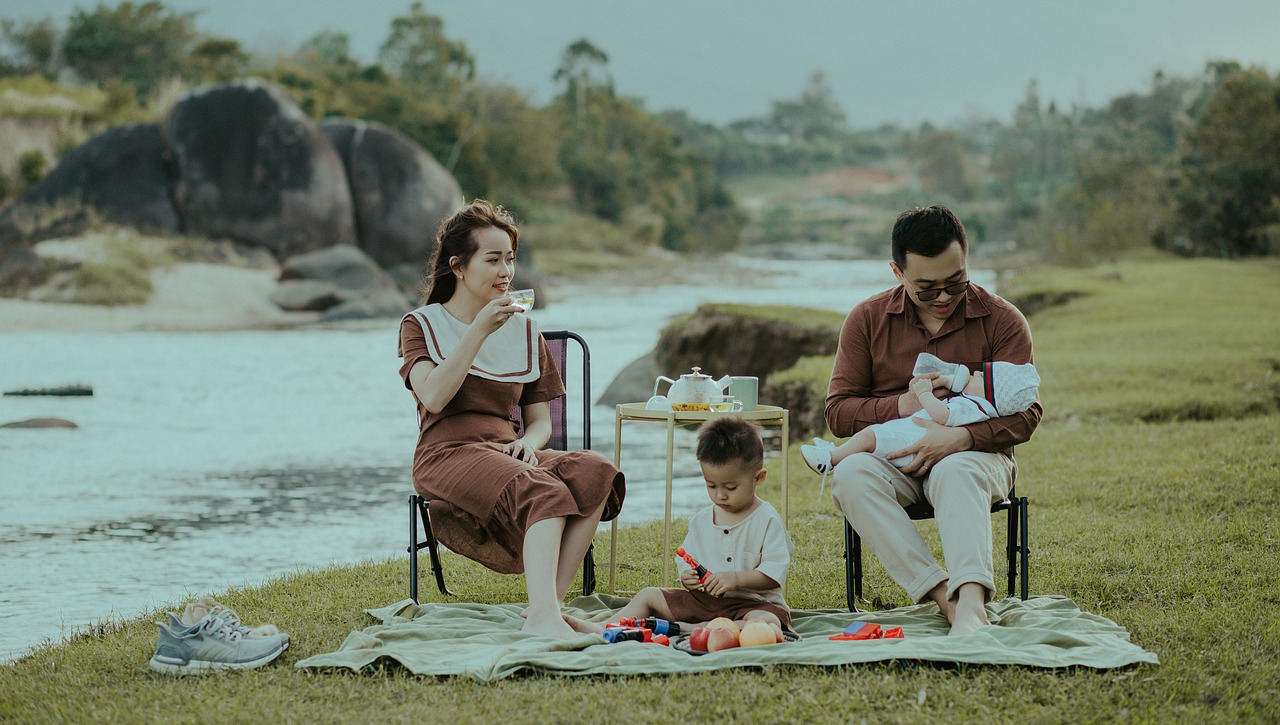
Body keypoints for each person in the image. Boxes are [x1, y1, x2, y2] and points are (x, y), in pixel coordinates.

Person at [398, 199, 625, 640]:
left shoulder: (525, 330)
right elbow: (436, 395)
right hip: (446, 455)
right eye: (493, 259)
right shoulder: (421, 325)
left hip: (507, 450)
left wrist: (531, 444)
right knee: (541, 488)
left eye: (511, 259)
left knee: (596, 471)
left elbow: (540, 421)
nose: (507, 271)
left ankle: (547, 609)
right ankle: (545, 616)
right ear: (458, 266)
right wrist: (479, 329)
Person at [824, 204, 1041, 636]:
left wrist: (960, 437)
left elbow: (1028, 415)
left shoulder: (1003, 320)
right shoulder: (866, 320)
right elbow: (838, 411)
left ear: (966, 260)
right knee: (849, 475)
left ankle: (974, 605)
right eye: (926, 288)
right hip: (896, 460)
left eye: (955, 283)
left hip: (979, 459)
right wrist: (902, 406)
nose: (943, 297)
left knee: (957, 469)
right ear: (897, 272)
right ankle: (946, 599)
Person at [565, 416, 794, 635]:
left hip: (753, 605)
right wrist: (688, 578)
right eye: (711, 485)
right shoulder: (702, 520)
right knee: (649, 595)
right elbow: (687, 560)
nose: (720, 495)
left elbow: (773, 573)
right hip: (705, 603)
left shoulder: (767, 519)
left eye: (731, 487)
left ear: (758, 477)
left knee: (767, 622)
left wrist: (736, 579)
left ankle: (692, 629)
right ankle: (605, 626)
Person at [802, 356, 1040, 487]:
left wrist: (925, 394)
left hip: (913, 447)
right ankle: (836, 455)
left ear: (990, 394)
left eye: (980, 377)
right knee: (865, 449)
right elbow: (837, 412)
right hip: (911, 441)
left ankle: (830, 460)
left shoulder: (974, 407)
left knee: (869, 436)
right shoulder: (976, 401)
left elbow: (943, 416)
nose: (975, 373)